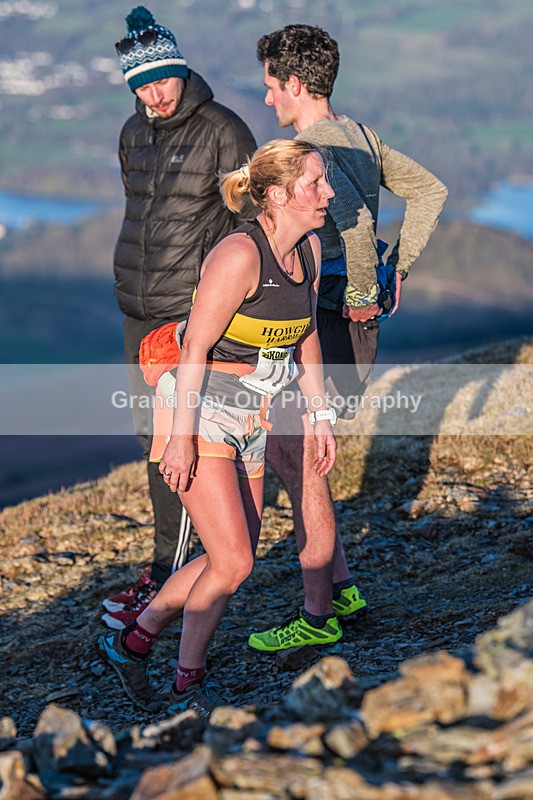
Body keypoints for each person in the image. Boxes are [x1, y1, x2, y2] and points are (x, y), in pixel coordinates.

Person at [97, 138, 338, 714]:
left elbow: (305, 334)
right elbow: (195, 350)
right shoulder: (238, 256)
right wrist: (178, 440)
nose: (328, 192)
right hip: (200, 411)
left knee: (233, 556)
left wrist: (319, 413)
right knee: (233, 562)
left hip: (254, 414)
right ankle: (189, 680)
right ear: (277, 196)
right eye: (315, 183)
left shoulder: (308, 250)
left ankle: (134, 639)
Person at [248, 24, 448, 651]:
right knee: (291, 452)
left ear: (297, 85)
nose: (267, 100)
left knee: (300, 458)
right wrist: (398, 274)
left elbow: (355, 231)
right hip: (347, 318)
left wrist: (364, 293)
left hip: (330, 317)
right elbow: (430, 192)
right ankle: (342, 586)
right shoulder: (360, 134)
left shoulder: (307, 148)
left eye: (271, 87)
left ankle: (316, 617)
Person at [102, 5, 257, 630]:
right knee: (152, 439)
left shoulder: (224, 129)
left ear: (180, 69)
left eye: (161, 79)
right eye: (141, 84)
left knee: (183, 439)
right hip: (137, 308)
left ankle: (182, 571)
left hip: (187, 315)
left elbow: (250, 221)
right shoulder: (132, 133)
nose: (153, 94)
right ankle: (166, 564)